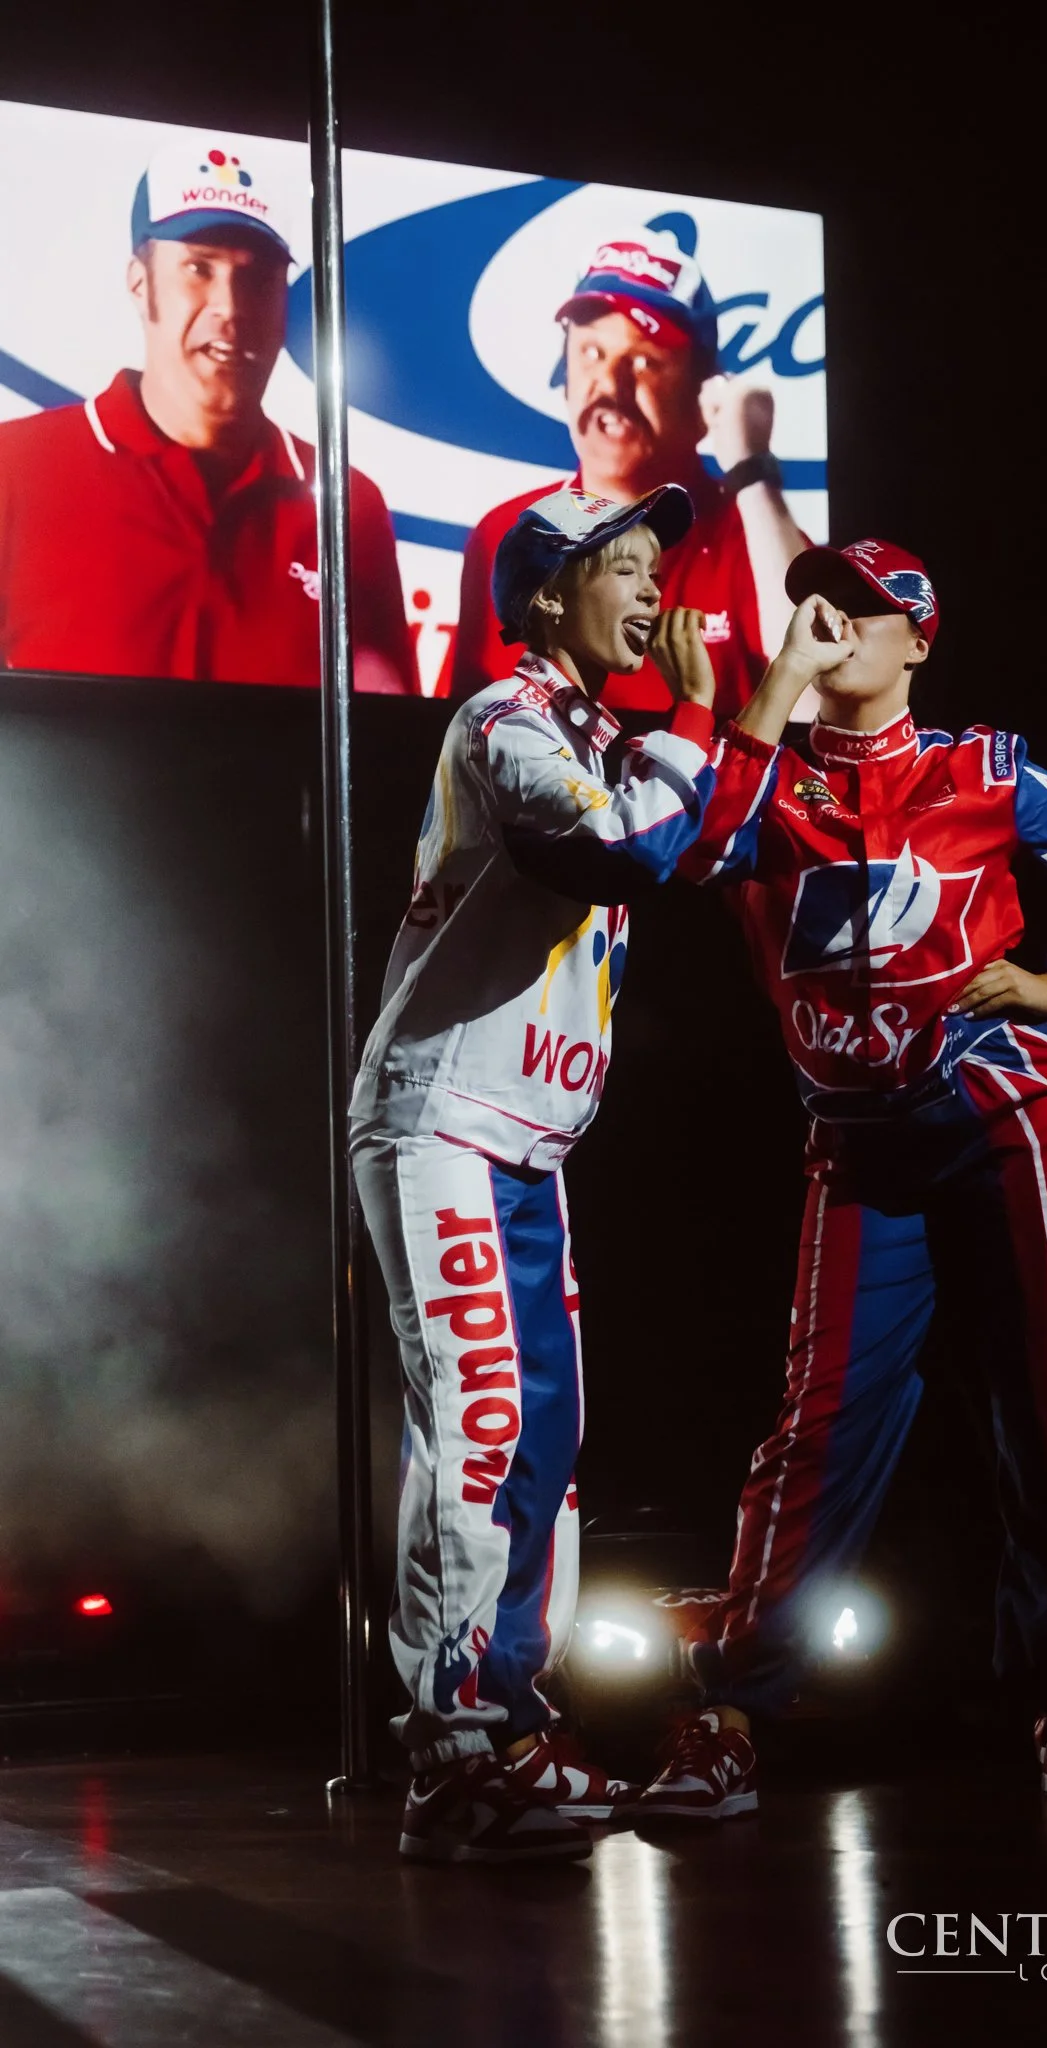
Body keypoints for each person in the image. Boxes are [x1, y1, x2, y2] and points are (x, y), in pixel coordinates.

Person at [634, 539, 1047, 1817]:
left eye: (866, 610)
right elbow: (692, 855)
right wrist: (764, 691)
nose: (832, 621)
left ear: (919, 640)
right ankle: (727, 1713)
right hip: (861, 1142)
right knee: (817, 1426)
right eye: (817, 600)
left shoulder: (982, 771)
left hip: (1014, 1114)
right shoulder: (758, 782)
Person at [350, 481, 720, 1862]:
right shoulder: (503, 720)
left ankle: (514, 1719)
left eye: (652, 565)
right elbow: (609, 854)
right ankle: (453, 1754)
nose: (651, 589)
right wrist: (696, 731)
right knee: (481, 1428)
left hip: (526, 1145)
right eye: (623, 566)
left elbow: (694, 839)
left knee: (544, 1457)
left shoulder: (607, 736)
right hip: (440, 1117)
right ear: (547, 594)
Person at [0, 138, 416, 692]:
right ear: (140, 284)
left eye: (258, 278)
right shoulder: (17, 468)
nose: (231, 306)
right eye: (199, 268)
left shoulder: (348, 507)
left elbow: (387, 753)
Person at [449, 227, 808, 724]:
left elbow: (814, 704)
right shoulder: (505, 533)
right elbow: (461, 737)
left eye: (643, 361)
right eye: (592, 353)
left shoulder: (753, 533)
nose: (611, 386)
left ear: (704, 392)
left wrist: (752, 472)